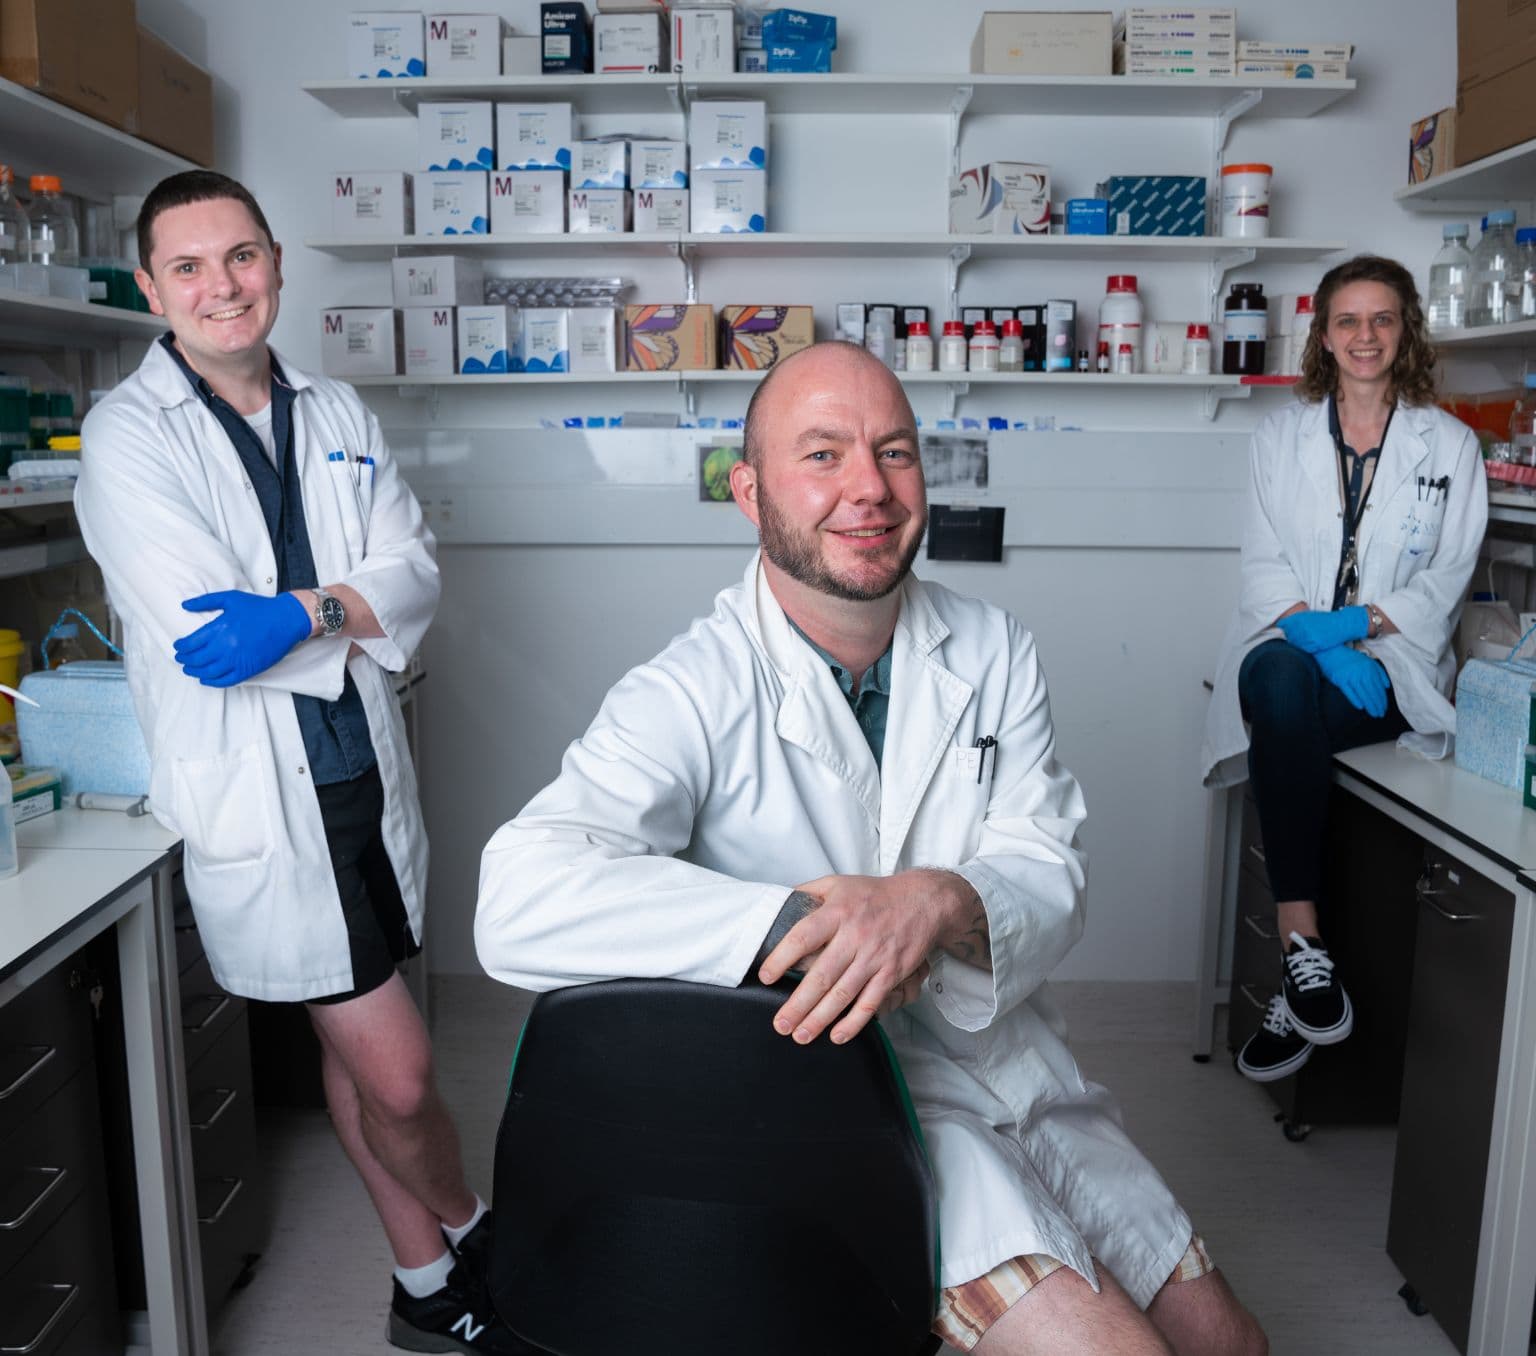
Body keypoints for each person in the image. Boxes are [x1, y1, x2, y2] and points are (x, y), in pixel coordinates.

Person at [477, 342, 1267, 1355]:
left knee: (1231, 1345)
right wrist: (817, 925)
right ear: (749, 493)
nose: (868, 488)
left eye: (894, 453)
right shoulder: (691, 688)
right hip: (847, 1101)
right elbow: (518, 898)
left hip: (1018, 1067)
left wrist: (933, 902)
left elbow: (1054, 875)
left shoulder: (993, 650)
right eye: (823, 455)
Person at [74, 171, 530, 1354]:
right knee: (404, 1074)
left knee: (351, 1052)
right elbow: (211, 640)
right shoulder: (129, 437)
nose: (220, 286)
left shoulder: (337, 412)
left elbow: (416, 572)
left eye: (240, 257)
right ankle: (478, 1233)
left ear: (275, 261)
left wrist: (305, 609)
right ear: (151, 287)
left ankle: (427, 1286)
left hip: (362, 776)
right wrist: (341, 607)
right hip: (262, 799)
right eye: (188, 266)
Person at [1201, 255, 1486, 1083]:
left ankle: (1299, 973)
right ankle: (1305, 945)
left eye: (1383, 319)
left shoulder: (1452, 445)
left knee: (1285, 713)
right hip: (1289, 644)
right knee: (1282, 680)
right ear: (1324, 334)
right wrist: (1316, 635)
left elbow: (1450, 571)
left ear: (1406, 331)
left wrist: (1359, 627)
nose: (1366, 336)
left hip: (1392, 664)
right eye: (1348, 321)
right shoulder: (1280, 436)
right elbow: (1263, 565)